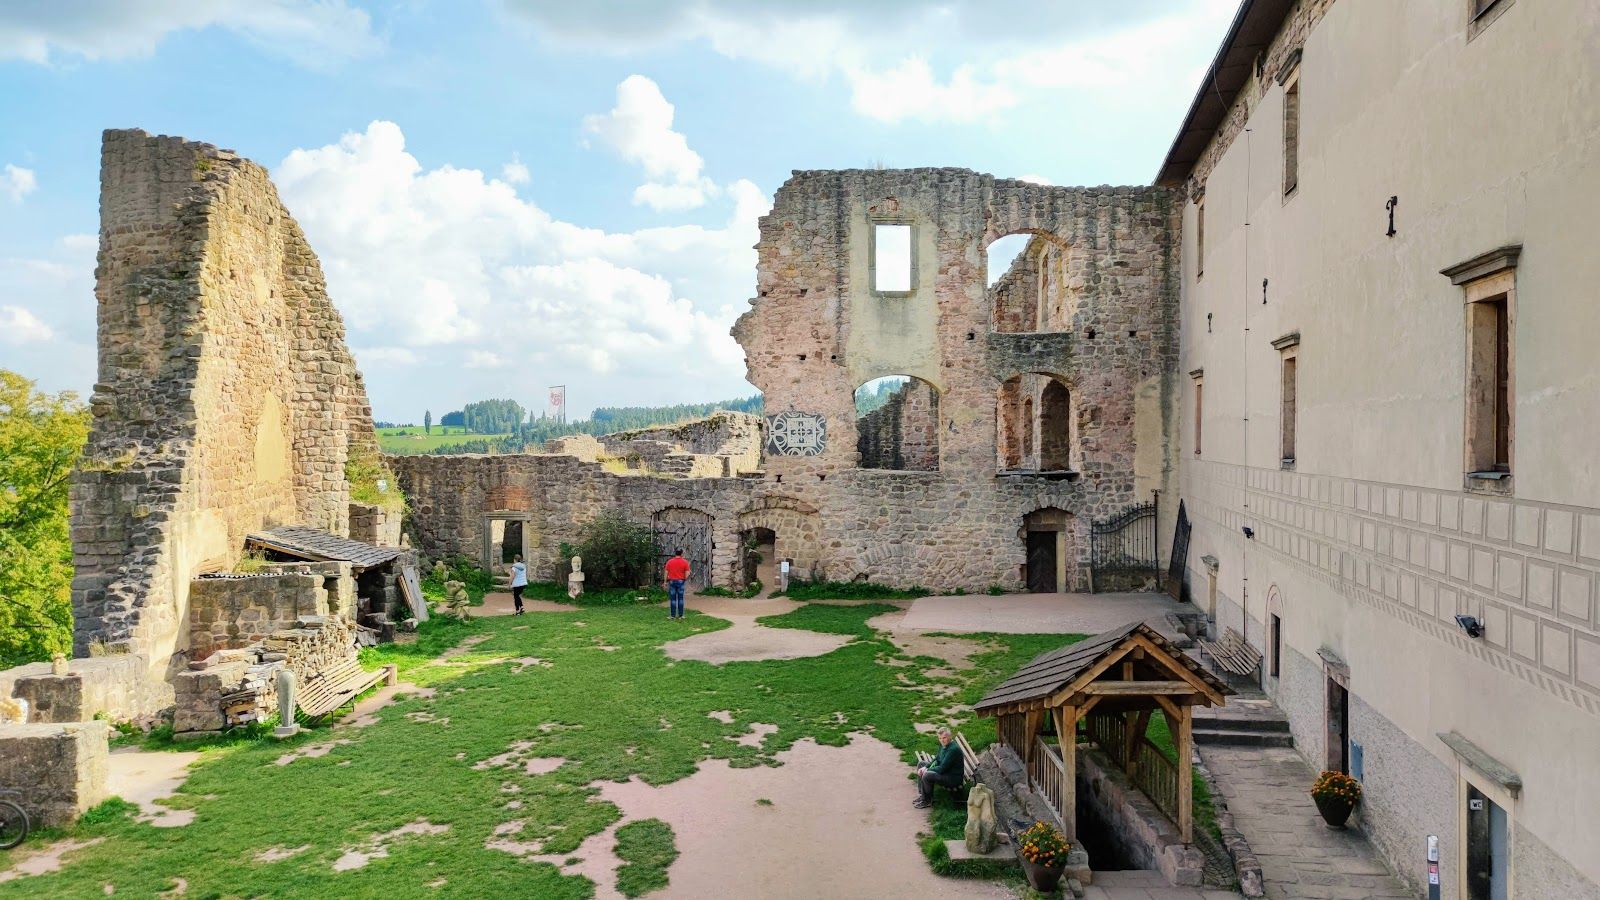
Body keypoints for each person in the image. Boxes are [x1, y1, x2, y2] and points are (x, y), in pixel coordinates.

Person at [914, 726, 963, 809]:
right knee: (921, 764)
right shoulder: (944, 745)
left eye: (944, 738)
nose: (942, 740)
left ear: (950, 737)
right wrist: (926, 767)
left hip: (953, 778)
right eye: (940, 738)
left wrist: (927, 770)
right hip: (945, 773)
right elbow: (937, 758)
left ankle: (927, 801)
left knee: (927, 775)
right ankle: (923, 795)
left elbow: (942, 769)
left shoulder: (953, 750)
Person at [664, 550, 690, 620]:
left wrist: (665, 582)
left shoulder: (669, 562)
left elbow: (666, 572)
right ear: (681, 554)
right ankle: (681, 615)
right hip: (681, 581)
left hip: (672, 581)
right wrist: (684, 579)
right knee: (680, 599)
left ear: (675, 553)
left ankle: (672, 616)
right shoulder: (685, 562)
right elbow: (687, 573)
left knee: (673, 599)